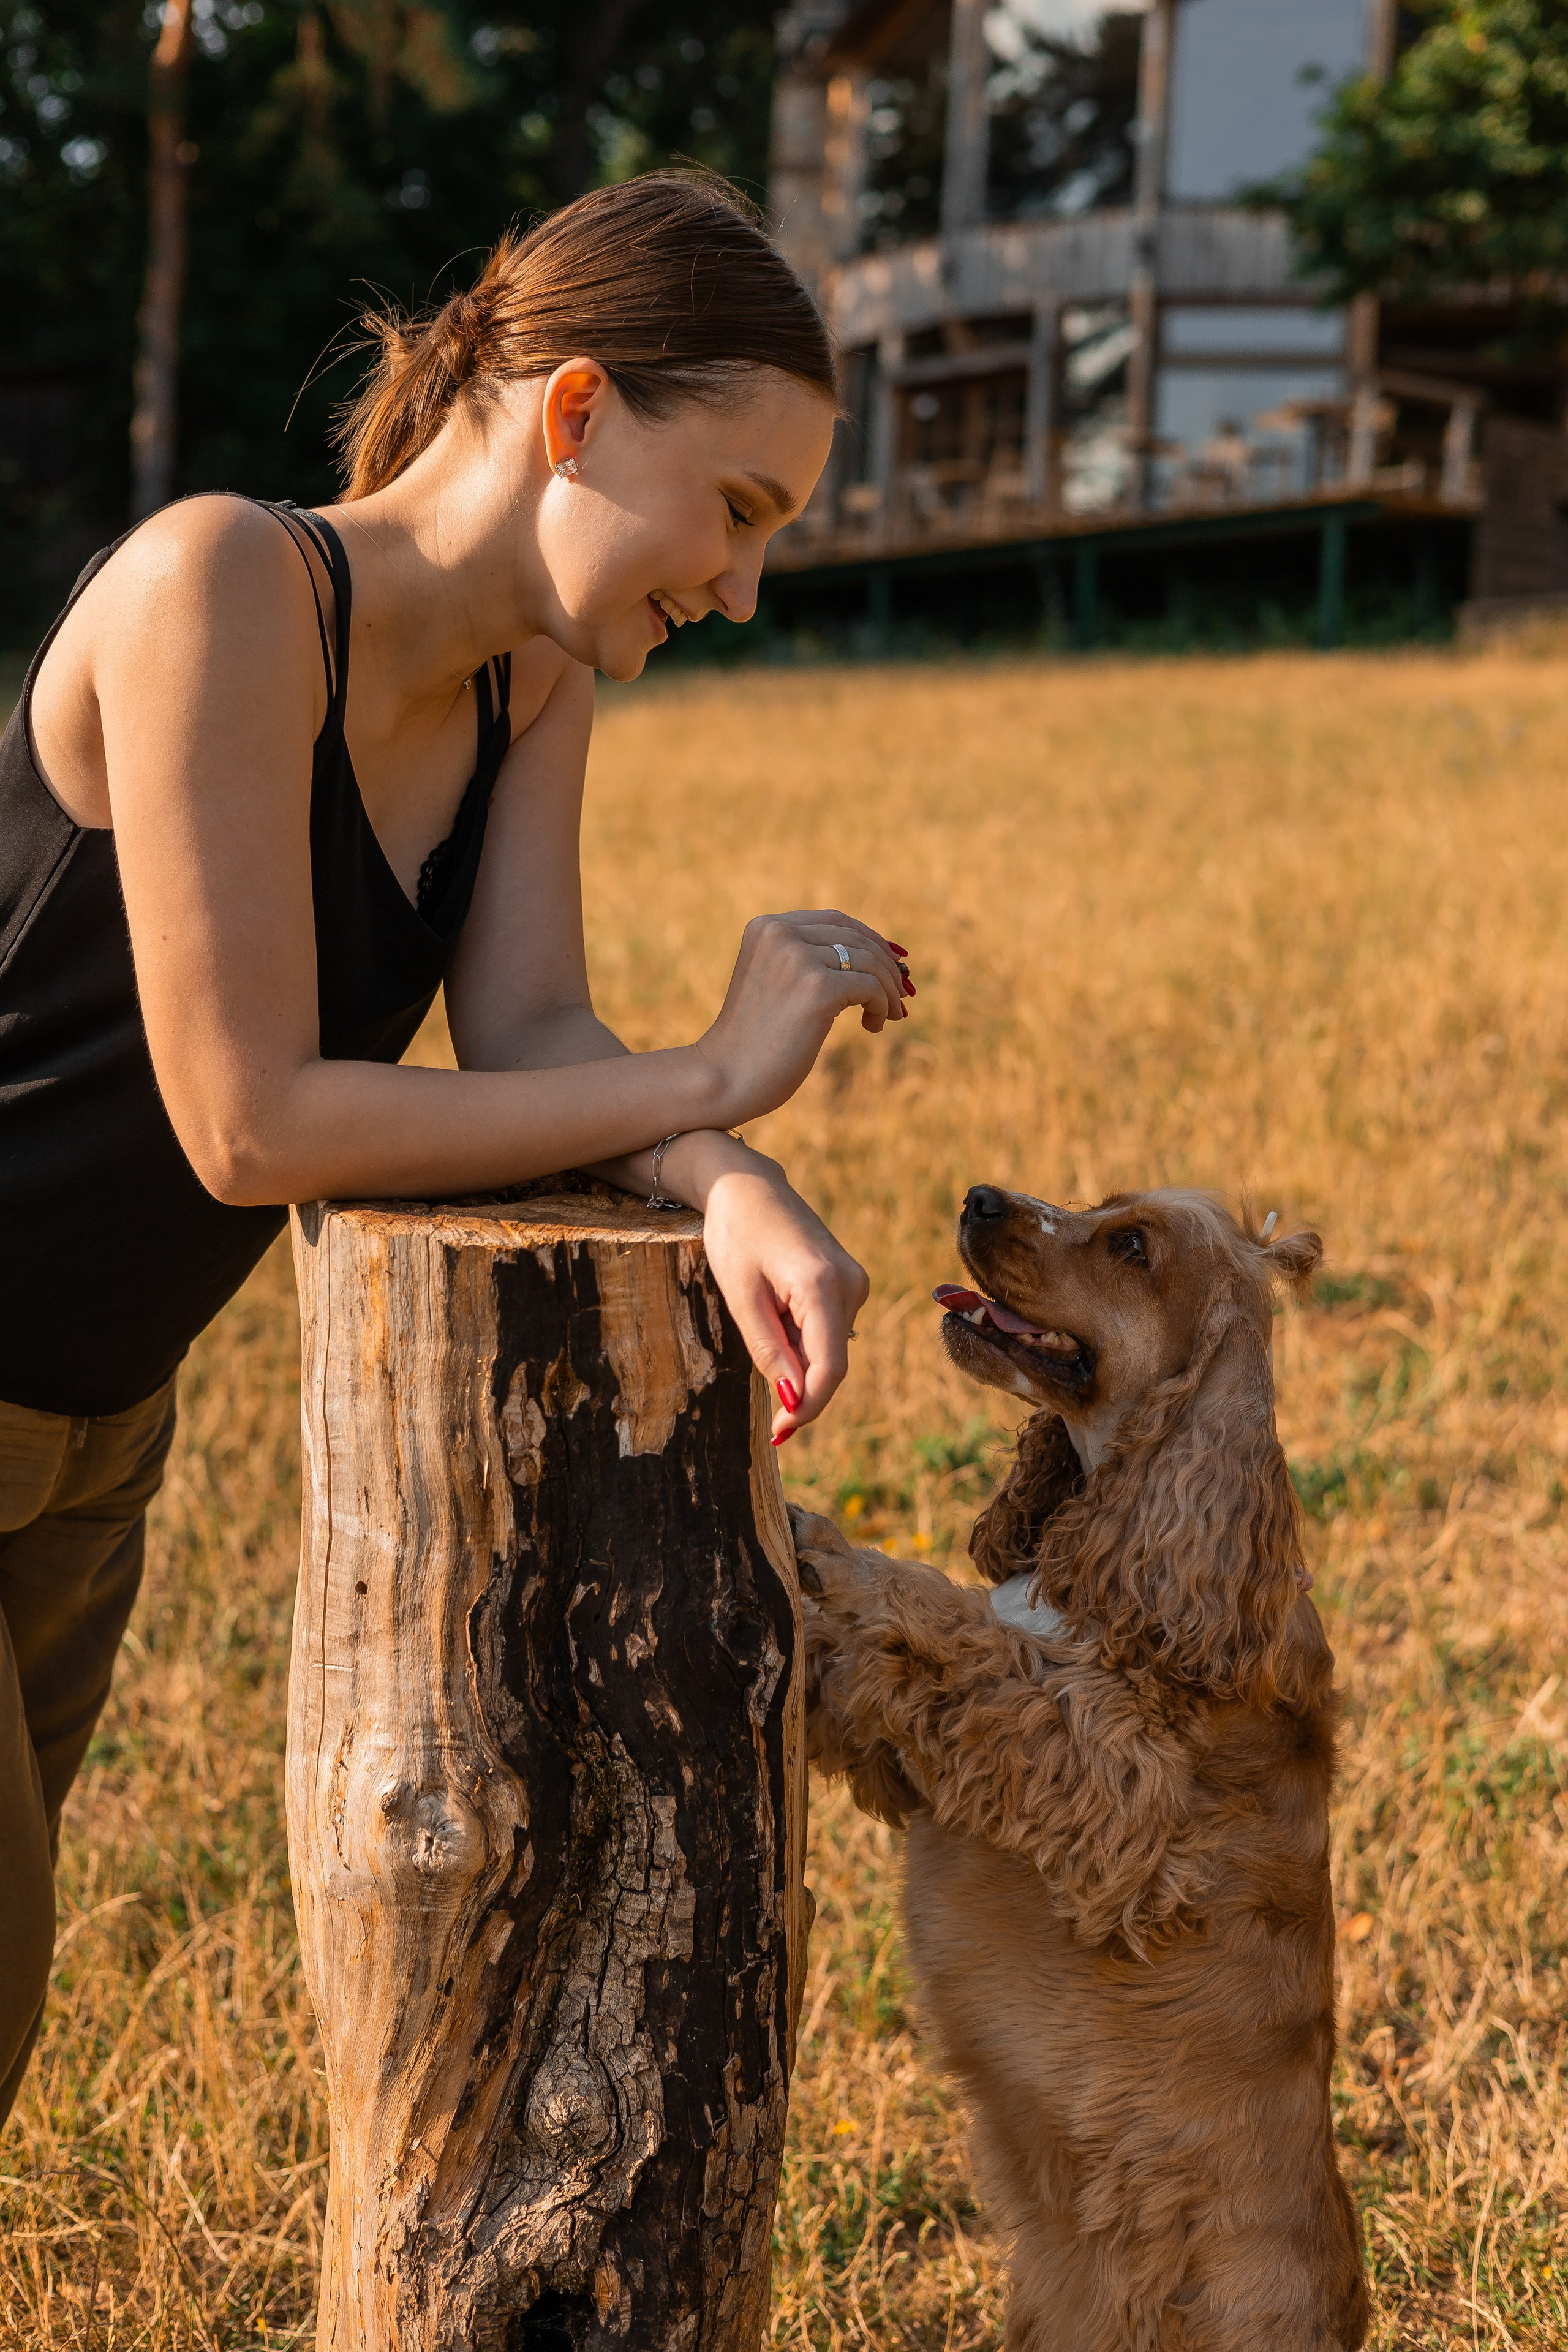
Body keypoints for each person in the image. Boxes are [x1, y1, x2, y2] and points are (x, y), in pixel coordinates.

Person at [0, 172, 914, 2124]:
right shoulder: (218, 588)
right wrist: (712, 1080)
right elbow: (252, 1120)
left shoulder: (539, 682)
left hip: (93, 1434)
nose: (745, 590)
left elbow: (535, 1040)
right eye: (739, 512)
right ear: (576, 416)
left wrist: (728, 1170)